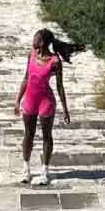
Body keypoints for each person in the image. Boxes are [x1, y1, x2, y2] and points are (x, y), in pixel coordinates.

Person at [14, 27, 71, 185]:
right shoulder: (31, 55)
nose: (33, 40)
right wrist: (17, 100)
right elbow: (26, 78)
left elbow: (60, 87)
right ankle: (26, 169)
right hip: (30, 100)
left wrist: (65, 110)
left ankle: (45, 172)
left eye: (36, 38)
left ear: (42, 42)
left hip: (46, 101)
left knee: (47, 136)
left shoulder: (55, 61)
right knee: (28, 134)